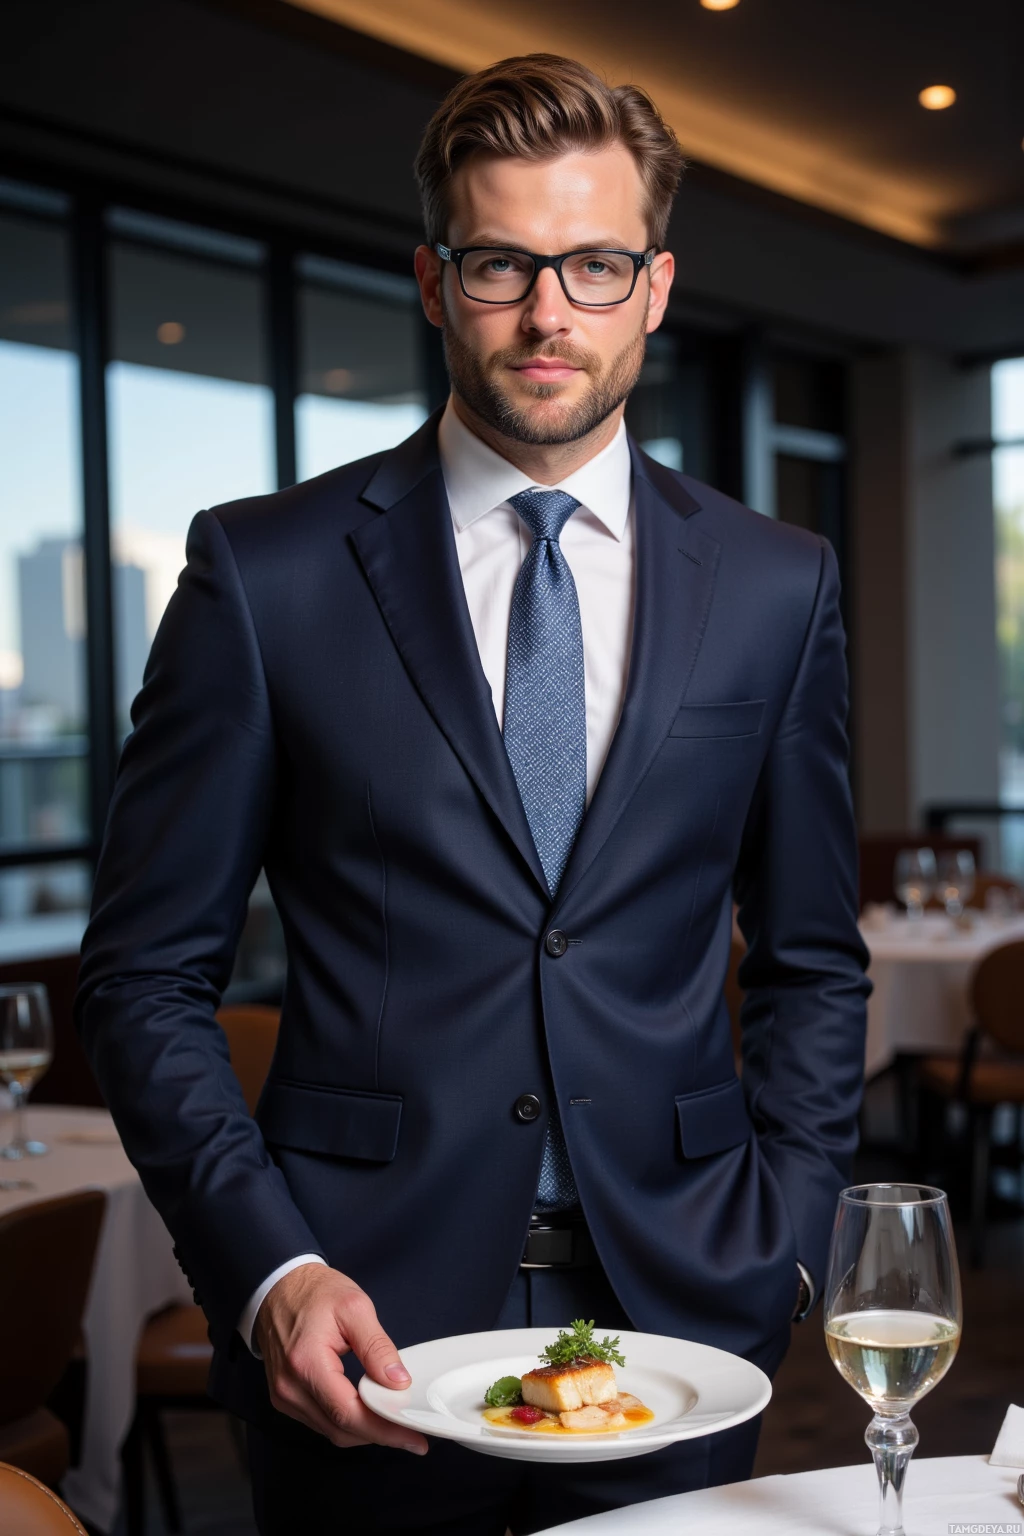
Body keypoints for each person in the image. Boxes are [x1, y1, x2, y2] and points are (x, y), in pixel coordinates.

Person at [75, 52, 870, 1535]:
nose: (550, 308)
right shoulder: (268, 573)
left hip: (688, 1302)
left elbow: (816, 958)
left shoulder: (777, 584)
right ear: (438, 281)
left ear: (657, 284)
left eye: (593, 262)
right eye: (503, 260)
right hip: (358, 1314)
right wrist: (271, 1273)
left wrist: (789, 1242)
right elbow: (143, 978)